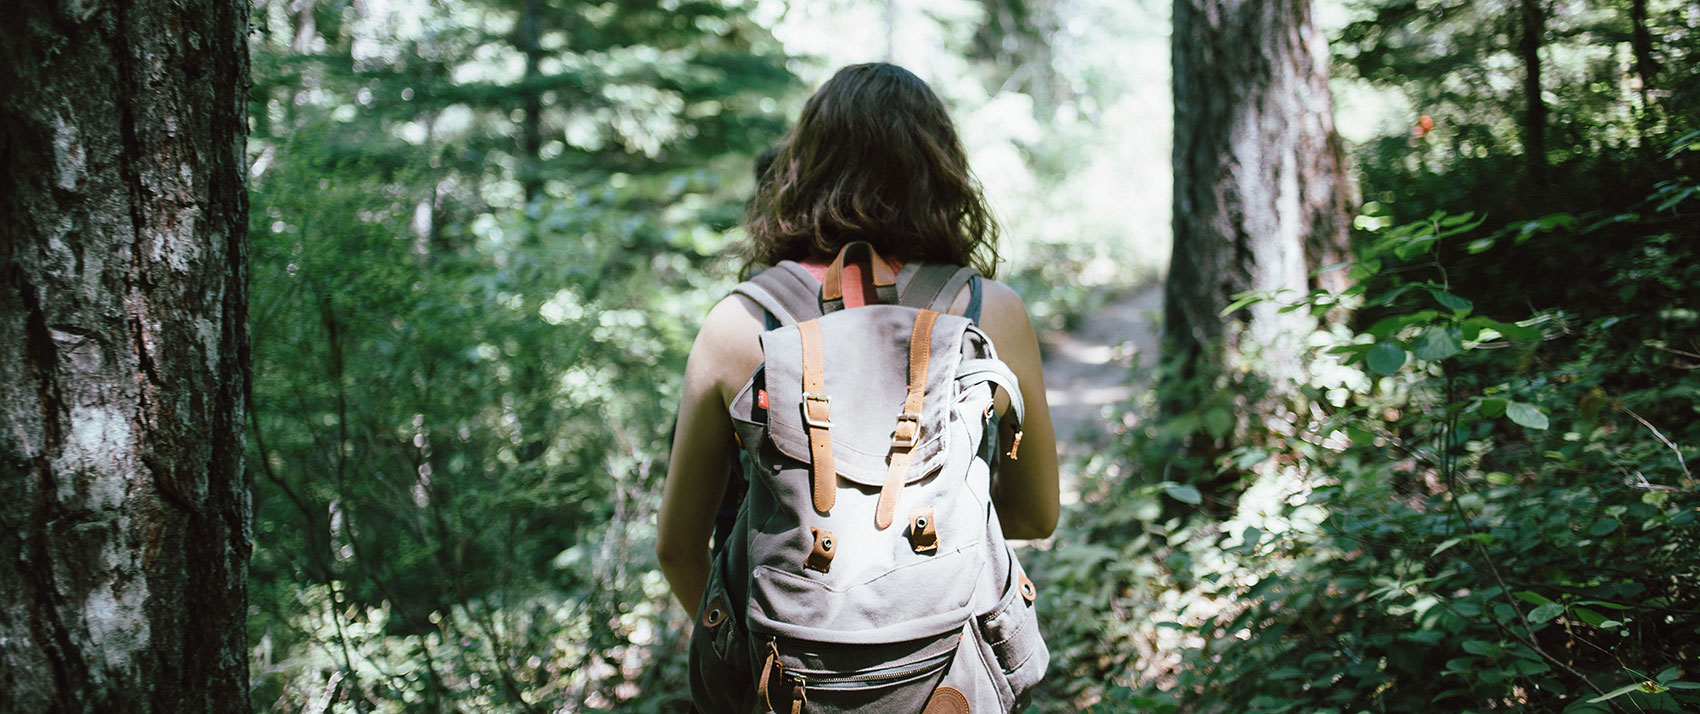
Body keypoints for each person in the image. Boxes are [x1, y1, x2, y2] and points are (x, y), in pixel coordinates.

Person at [657, 60, 1059, 648]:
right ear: (938, 170)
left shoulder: (740, 323)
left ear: (805, 166)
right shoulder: (990, 312)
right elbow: (1034, 516)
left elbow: (677, 547)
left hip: (786, 673)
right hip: (946, 672)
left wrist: (742, 661)